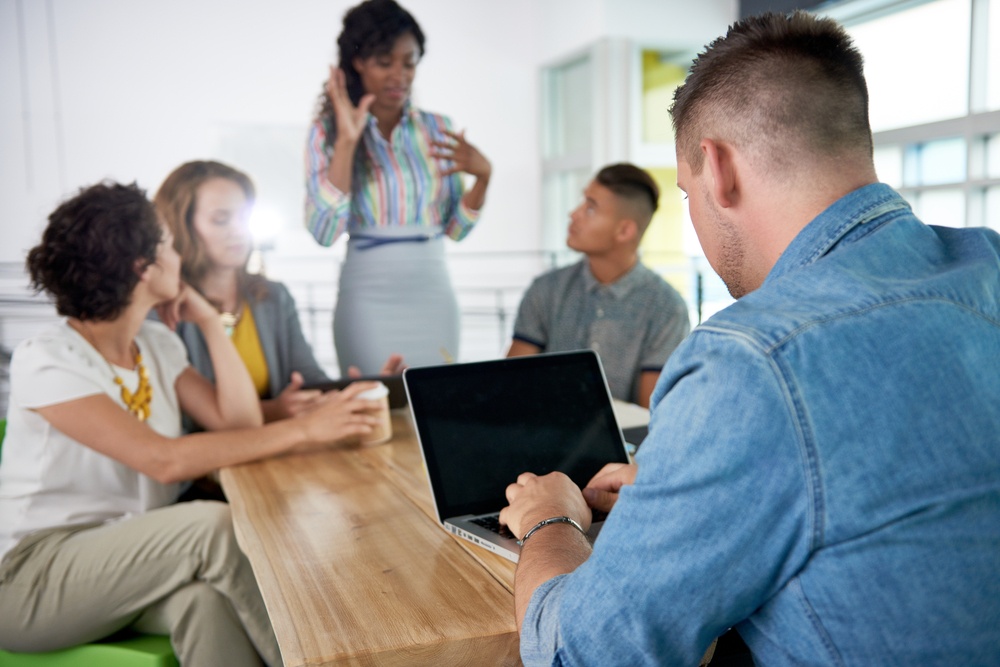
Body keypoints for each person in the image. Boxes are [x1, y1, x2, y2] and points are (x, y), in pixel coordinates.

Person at [499, 11, 1000, 666]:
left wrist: (550, 520)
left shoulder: (750, 358)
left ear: (717, 167)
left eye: (686, 194)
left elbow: (584, 653)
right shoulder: (987, 267)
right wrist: (676, 483)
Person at [0, 182, 384, 665]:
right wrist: (306, 428)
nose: (177, 252)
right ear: (143, 266)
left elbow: (238, 425)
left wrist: (207, 320)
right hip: (32, 578)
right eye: (166, 242)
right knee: (213, 527)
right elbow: (163, 461)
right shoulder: (49, 359)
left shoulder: (157, 346)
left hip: (130, 561)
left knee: (204, 604)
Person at [305, 0, 492, 375]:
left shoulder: (438, 128)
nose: (400, 76)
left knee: (435, 403)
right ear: (358, 62)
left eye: (409, 63)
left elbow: (455, 229)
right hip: (367, 296)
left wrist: (483, 177)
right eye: (385, 62)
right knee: (375, 409)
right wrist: (347, 141)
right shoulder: (326, 133)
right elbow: (324, 233)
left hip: (432, 290)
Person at [155, 160, 402, 424]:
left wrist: (361, 390)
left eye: (244, 216)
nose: (239, 230)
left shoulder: (272, 296)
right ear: (180, 226)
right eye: (221, 219)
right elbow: (181, 419)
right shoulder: (164, 308)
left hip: (283, 451)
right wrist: (275, 411)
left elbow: (310, 380)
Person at [506, 163, 690, 408]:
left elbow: (652, 414)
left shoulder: (667, 307)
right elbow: (511, 386)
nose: (574, 214)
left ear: (624, 230)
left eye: (590, 208)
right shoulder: (545, 290)